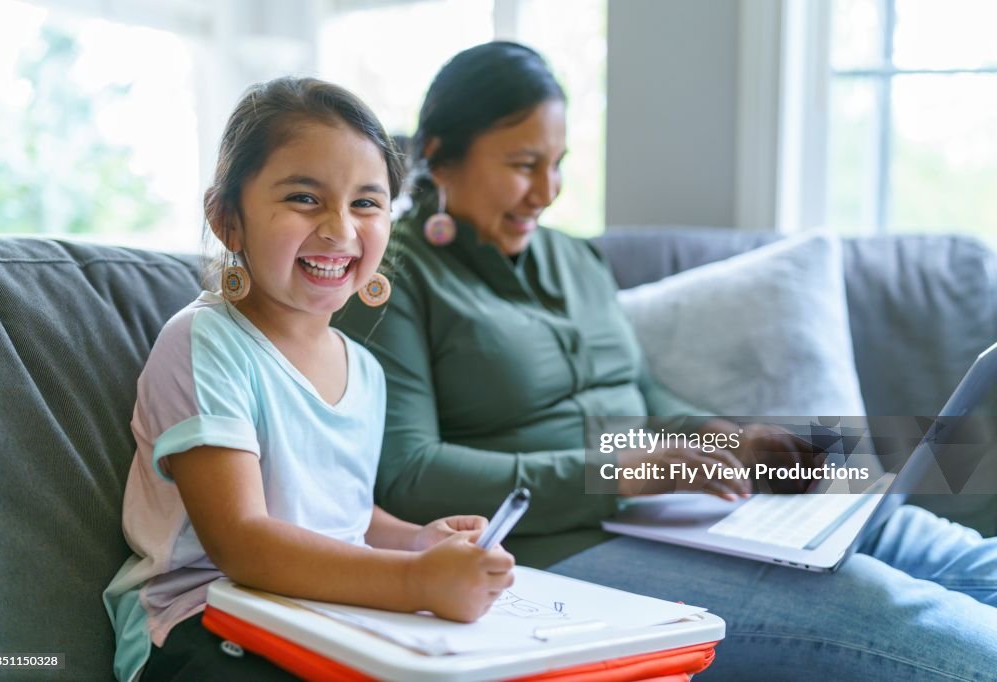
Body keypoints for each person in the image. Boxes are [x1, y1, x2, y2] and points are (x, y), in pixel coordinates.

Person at [334, 42, 997, 679]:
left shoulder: (574, 260)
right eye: (523, 164)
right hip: (552, 552)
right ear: (436, 156)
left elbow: (637, 406)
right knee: (897, 615)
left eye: (558, 163)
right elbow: (409, 476)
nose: (547, 191)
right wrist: (621, 471)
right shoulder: (393, 281)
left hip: (680, 520)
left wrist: (722, 440)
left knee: (969, 560)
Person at [103, 76, 515, 682]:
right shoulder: (205, 342)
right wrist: (414, 582)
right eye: (304, 198)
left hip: (323, 613)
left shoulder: (366, 371)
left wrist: (416, 542)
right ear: (227, 220)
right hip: (202, 623)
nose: (341, 229)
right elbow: (241, 542)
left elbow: (342, 515)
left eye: (367, 203)